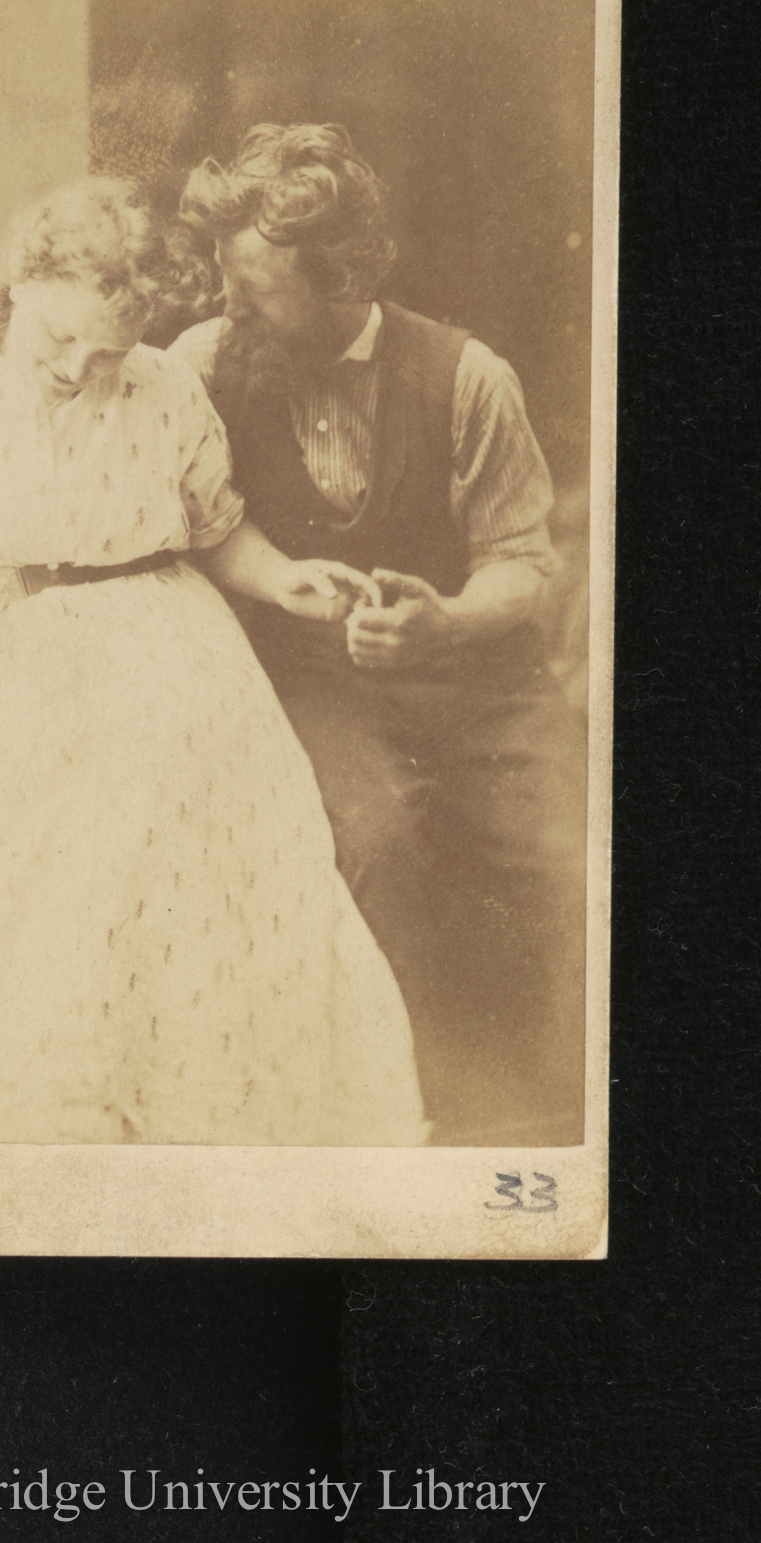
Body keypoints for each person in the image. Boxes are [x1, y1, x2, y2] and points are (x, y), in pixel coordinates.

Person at [0, 176, 427, 1148]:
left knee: (176, 895)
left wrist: (285, 580)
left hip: (168, 670)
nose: (76, 368)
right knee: (12, 930)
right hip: (2, 680)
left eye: (105, 350)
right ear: (19, 281)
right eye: (56, 338)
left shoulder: (162, 384)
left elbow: (217, 531)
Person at [169, 123, 588, 1147]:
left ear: (341, 277)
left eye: (254, 290)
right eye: (225, 280)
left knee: (581, 861)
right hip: (317, 685)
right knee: (379, 843)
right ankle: (417, 1119)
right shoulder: (201, 365)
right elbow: (147, 512)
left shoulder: (468, 376)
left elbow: (526, 564)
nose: (228, 306)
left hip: (487, 685)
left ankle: (583, 1127)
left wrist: (445, 617)